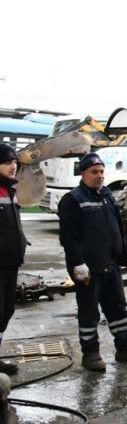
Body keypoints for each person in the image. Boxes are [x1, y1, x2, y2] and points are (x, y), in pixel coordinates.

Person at [58, 152, 127, 372]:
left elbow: (116, 226)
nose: (99, 176)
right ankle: (90, 354)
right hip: (89, 270)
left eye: (101, 171)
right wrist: (77, 264)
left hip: (111, 265)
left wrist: (122, 255)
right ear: (83, 174)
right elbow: (68, 237)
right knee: (90, 313)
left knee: (118, 309)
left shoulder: (107, 195)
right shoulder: (73, 199)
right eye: (94, 172)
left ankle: (124, 348)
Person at [0, 144, 27, 375]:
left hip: (10, 263)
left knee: (5, 311)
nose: (13, 166)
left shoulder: (9, 191)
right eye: (8, 162)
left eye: (14, 162)